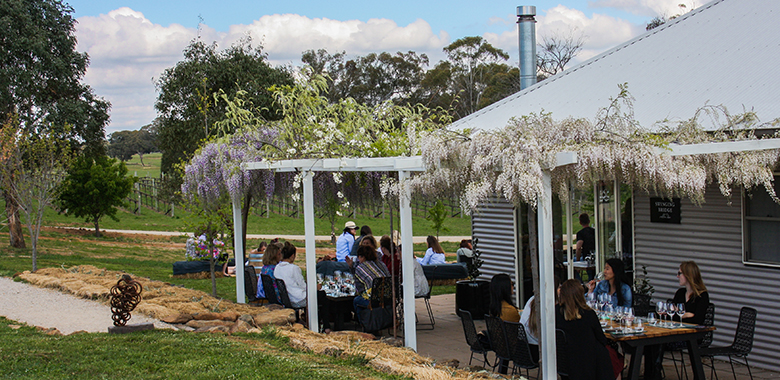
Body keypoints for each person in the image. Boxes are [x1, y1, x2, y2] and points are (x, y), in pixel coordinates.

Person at [557, 279, 623, 380]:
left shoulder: (556, 313)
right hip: (588, 361)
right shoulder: (588, 314)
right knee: (612, 358)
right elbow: (601, 338)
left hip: (564, 360)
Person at [519, 275, 561, 363]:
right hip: (540, 352)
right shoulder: (550, 305)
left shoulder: (532, 300)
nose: (560, 290)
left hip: (524, 349)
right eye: (559, 287)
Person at [350, 245, 390, 318]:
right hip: (389, 297)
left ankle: (365, 322)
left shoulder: (360, 268)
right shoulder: (381, 264)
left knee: (356, 300)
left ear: (361, 257)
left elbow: (359, 289)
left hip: (374, 300)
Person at [672, 261, 710, 325]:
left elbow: (698, 320)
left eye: (680, 273)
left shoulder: (701, 295)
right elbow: (670, 316)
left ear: (688, 275)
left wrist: (679, 314)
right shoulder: (680, 293)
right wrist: (686, 315)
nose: (677, 276)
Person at [274, 242, 307, 308]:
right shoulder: (294, 268)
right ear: (292, 256)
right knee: (322, 296)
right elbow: (303, 286)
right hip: (298, 299)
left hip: (287, 299)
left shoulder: (277, 267)